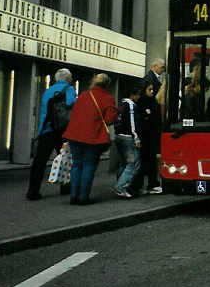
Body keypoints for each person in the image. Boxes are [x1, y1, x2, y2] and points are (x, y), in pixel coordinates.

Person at [63, 73, 117, 205]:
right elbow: (109, 119)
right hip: (93, 136)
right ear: (107, 85)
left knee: (76, 165)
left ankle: (73, 196)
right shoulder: (107, 98)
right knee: (89, 166)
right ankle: (83, 197)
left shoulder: (83, 95)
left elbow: (74, 113)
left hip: (75, 135)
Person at [26, 68, 76, 200]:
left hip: (47, 130)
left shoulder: (48, 91)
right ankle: (65, 187)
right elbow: (71, 104)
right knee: (66, 158)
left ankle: (33, 191)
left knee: (39, 162)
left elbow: (44, 113)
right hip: (63, 131)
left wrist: (40, 131)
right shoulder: (69, 89)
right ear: (68, 79)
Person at [113, 81, 150, 198]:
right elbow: (133, 124)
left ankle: (121, 184)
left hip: (119, 136)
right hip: (128, 137)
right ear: (132, 95)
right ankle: (120, 187)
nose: (139, 97)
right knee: (134, 163)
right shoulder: (131, 106)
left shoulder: (121, 104)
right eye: (137, 94)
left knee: (124, 163)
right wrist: (137, 138)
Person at [136, 59, 164, 194]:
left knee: (147, 159)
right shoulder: (147, 102)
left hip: (149, 132)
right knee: (148, 158)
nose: (152, 91)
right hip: (148, 133)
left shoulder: (147, 100)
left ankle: (144, 184)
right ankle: (149, 184)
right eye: (150, 89)